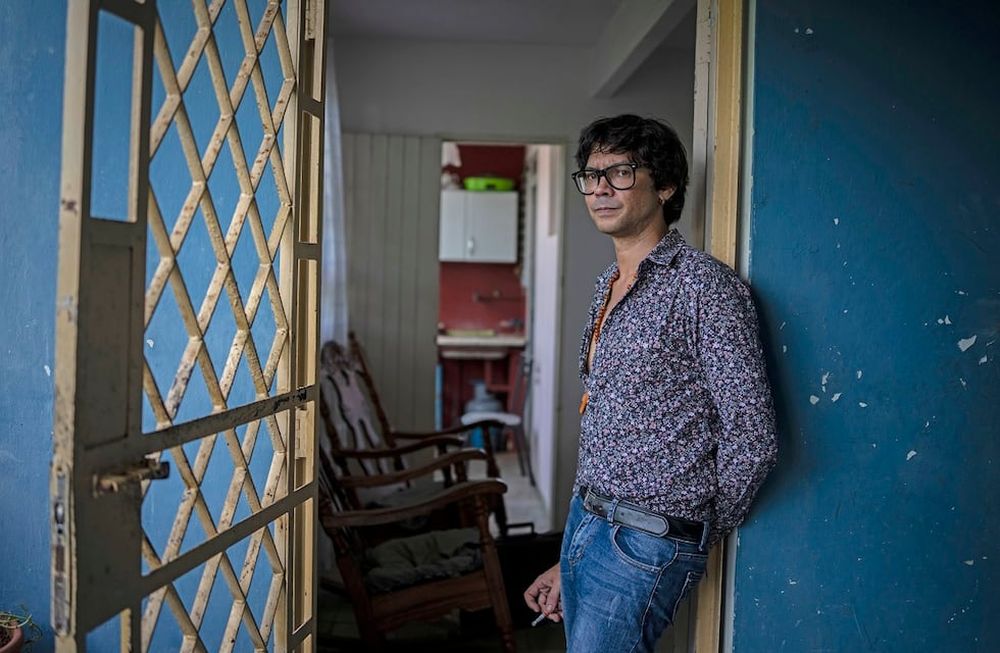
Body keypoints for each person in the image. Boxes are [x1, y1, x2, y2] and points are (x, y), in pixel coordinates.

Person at [523, 114, 777, 651]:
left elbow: (752, 438)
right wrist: (572, 555)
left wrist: (688, 527)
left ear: (665, 185)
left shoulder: (706, 287)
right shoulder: (608, 283)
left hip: (646, 540)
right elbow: (604, 423)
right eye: (591, 176)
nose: (600, 189)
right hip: (589, 520)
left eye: (619, 173)